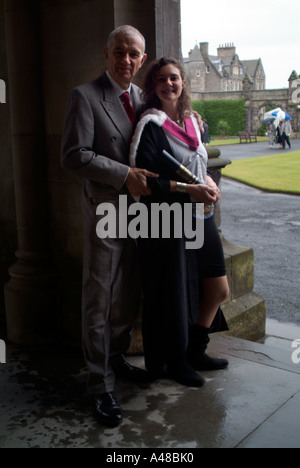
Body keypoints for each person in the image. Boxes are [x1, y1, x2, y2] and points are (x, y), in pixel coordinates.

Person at [61, 25, 157, 428]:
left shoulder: (143, 99)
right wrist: (123, 174)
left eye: (134, 53)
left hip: (139, 215)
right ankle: (100, 385)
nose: (126, 59)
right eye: (119, 51)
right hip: (105, 212)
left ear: (142, 59)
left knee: (128, 293)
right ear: (107, 53)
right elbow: (73, 155)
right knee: (99, 298)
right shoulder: (84, 96)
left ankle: (116, 358)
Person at [129, 57, 230, 388]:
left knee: (217, 289)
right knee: (173, 293)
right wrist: (193, 188)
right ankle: (177, 360)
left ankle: (196, 350)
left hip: (202, 216)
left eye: (174, 78)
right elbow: (148, 181)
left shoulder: (192, 122)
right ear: (152, 86)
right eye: (160, 79)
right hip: (167, 220)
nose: (168, 84)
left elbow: (200, 165)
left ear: (183, 82)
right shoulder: (150, 125)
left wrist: (209, 184)